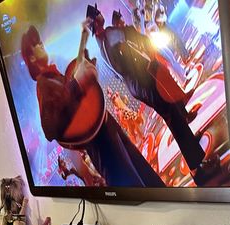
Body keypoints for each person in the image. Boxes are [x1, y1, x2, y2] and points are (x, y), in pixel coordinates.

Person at [21, 25, 165, 188]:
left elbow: (73, 103)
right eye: (37, 44)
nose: (42, 45)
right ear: (32, 58)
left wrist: (87, 77)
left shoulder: (53, 76)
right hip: (100, 142)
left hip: (105, 128)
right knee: (132, 186)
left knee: (143, 172)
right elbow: (49, 128)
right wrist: (77, 82)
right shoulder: (43, 85)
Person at [89, 6, 217, 185]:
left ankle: (193, 148)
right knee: (173, 116)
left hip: (137, 83)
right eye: (98, 14)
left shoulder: (102, 42)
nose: (101, 14)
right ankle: (197, 168)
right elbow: (133, 38)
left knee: (173, 114)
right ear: (95, 22)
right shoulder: (109, 35)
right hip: (143, 80)